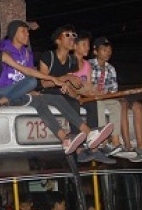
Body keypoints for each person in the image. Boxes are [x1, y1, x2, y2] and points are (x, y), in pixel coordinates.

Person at [30, 26, 114, 161]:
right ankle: (80, 149)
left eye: (73, 35)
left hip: (63, 93)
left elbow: (72, 84)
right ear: (58, 41)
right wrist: (66, 80)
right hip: (46, 92)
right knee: (72, 104)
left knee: (90, 103)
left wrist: (78, 93)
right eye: (67, 35)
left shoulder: (71, 61)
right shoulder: (48, 56)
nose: (72, 37)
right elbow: (44, 83)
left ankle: (93, 146)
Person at [87, 37, 142, 160]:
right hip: (92, 97)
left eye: (109, 50)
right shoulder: (88, 65)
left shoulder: (111, 69)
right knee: (99, 103)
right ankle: (103, 141)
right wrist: (96, 92)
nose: (108, 52)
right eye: (104, 50)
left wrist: (108, 94)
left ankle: (116, 141)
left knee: (118, 104)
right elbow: (86, 84)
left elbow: (113, 91)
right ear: (95, 51)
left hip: (107, 96)